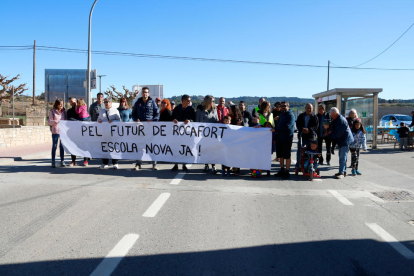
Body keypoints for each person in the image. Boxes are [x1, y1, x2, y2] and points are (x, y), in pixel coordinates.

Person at [132, 87, 160, 170]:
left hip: (150, 129)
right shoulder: (137, 103)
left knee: (151, 146)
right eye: (143, 92)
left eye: (146, 92)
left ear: (149, 94)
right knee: (139, 146)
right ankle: (138, 164)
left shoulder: (153, 103)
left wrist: (153, 120)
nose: (145, 94)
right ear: (141, 93)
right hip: (140, 129)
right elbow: (133, 114)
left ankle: (154, 164)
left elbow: (157, 114)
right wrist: (135, 119)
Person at [171, 94, 195, 172]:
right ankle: (176, 165)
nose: (189, 102)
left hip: (186, 133)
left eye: (189, 101)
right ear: (183, 101)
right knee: (176, 148)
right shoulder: (177, 109)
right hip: (177, 133)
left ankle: (184, 165)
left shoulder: (191, 109)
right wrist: (174, 120)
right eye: (188, 100)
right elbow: (172, 118)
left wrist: (190, 121)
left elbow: (194, 119)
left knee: (184, 149)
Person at [328, 107, 354, 179]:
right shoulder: (336, 119)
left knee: (342, 157)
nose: (331, 116)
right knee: (342, 156)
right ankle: (343, 171)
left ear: (336, 114)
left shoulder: (341, 121)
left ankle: (342, 173)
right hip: (343, 140)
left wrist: (328, 134)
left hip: (345, 140)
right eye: (331, 115)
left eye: (332, 115)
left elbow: (337, 134)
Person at [196, 95, 219, 174]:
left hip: (212, 134)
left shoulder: (214, 109)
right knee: (205, 150)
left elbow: (216, 120)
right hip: (203, 134)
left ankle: (213, 166)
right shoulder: (200, 109)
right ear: (208, 101)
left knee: (212, 150)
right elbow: (197, 121)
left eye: (214, 101)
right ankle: (206, 165)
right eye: (212, 101)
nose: (213, 103)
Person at [98, 98, 121, 169]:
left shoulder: (115, 110)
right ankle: (105, 163)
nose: (106, 103)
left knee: (113, 147)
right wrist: (99, 121)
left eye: (107, 102)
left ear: (110, 102)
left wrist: (113, 121)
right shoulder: (102, 111)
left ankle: (115, 163)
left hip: (113, 132)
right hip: (105, 132)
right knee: (105, 147)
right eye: (105, 102)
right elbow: (98, 119)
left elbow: (119, 121)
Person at [274, 101, 295, 179]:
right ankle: (282, 170)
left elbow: (287, 126)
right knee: (280, 155)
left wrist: (275, 129)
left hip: (287, 138)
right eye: (281, 105)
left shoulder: (291, 115)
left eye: (284, 106)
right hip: (280, 137)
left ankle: (287, 172)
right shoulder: (281, 114)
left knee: (287, 155)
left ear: (288, 106)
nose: (283, 107)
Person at [67, 97, 89, 167]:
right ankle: (73, 161)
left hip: (82, 131)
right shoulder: (69, 111)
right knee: (73, 146)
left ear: (76, 101)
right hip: (73, 131)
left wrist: (86, 121)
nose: (71, 103)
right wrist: (78, 122)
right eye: (70, 102)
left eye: (72, 101)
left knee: (84, 145)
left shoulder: (83, 107)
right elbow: (69, 119)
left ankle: (85, 160)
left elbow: (88, 117)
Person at [295, 103, 318, 169]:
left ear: (312, 109)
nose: (309, 109)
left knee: (310, 152)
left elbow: (316, 126)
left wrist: (309, 129)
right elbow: (298, 124)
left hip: (311, 137)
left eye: (310, 108)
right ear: (305, 109)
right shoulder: (301, 116)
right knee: (300, 151)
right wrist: (302, 129)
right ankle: (298, 165)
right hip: (302, 136)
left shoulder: (315, 117)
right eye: (308, 108)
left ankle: (310, 165)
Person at [48, 99, 67, 168]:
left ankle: (62, 161)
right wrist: (54, 122)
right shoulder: (52, 112)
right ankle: (53, 161)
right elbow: (49, 122)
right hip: (55, 131)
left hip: (62, 131)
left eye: (62, 104)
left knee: (62, 147)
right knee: (54, 146)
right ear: (57, 105)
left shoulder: (64, 112)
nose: (61, 105)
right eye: (60, 104)